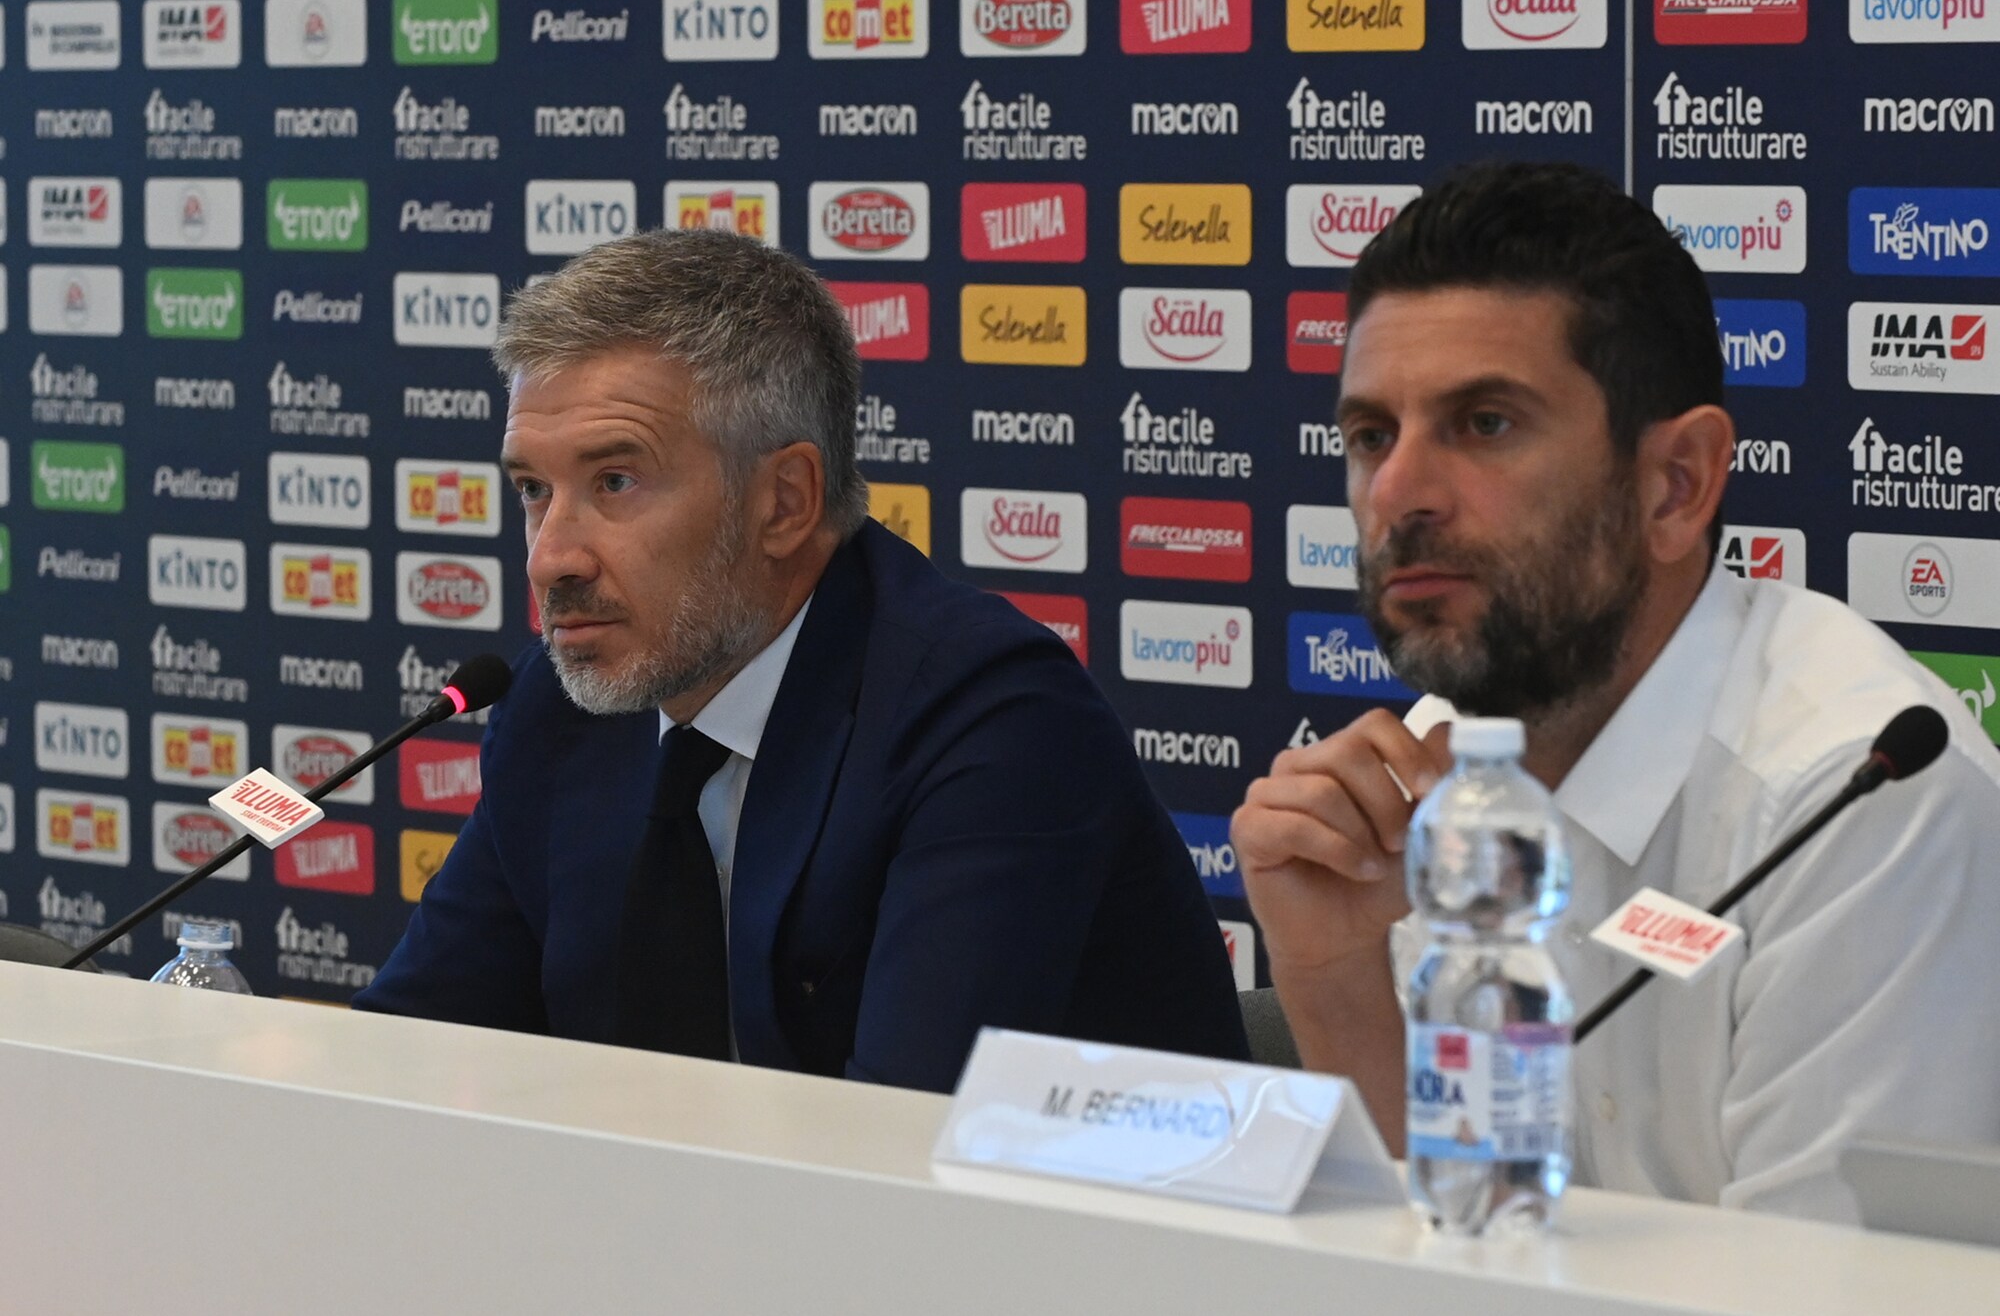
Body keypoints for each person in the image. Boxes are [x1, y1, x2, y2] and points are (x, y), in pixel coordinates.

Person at [1230, 161, 2000, 1221]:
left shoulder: (1854, 801)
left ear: (1675, 484)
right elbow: (1432, 1246)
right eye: (1371, 436)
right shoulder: (1437, 759)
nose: (1398, 494)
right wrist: (1331, 972)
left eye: (1484, 423)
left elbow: (1823, 1288)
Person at [355, 228, 1248, 1091]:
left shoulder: (989, 722)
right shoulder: (560, 711)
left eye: (615, 482)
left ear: (784, 502)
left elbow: (896, 1145)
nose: (551, 557)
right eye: (533, 489)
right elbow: (404, 1057)